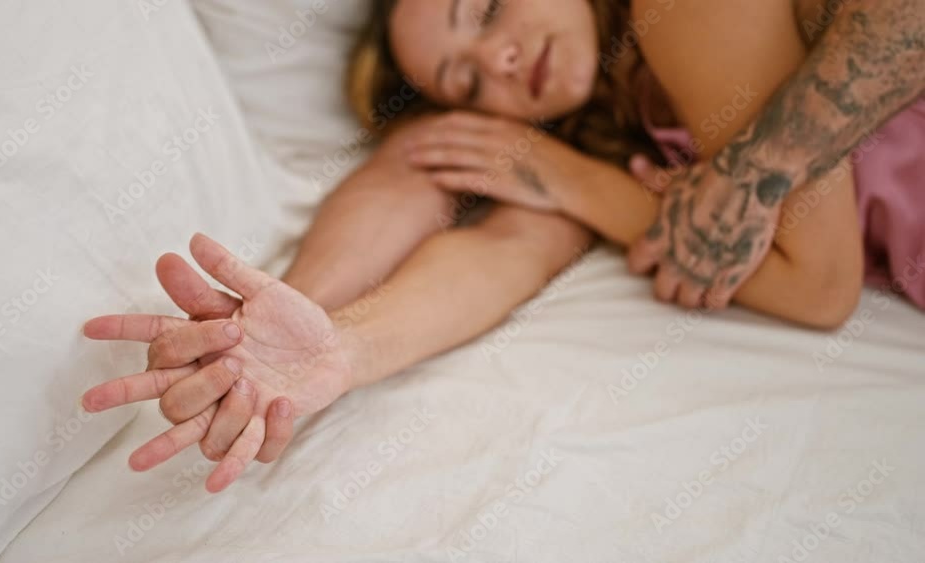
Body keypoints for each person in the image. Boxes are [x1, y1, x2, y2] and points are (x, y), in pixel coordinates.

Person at [81, 0, 925, 492]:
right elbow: (458, 213)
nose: (500, 58)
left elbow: (819, 285)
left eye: (483, 7)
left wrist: (570, 180)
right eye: (467, 81)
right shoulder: (601, 148)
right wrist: (318, 340)